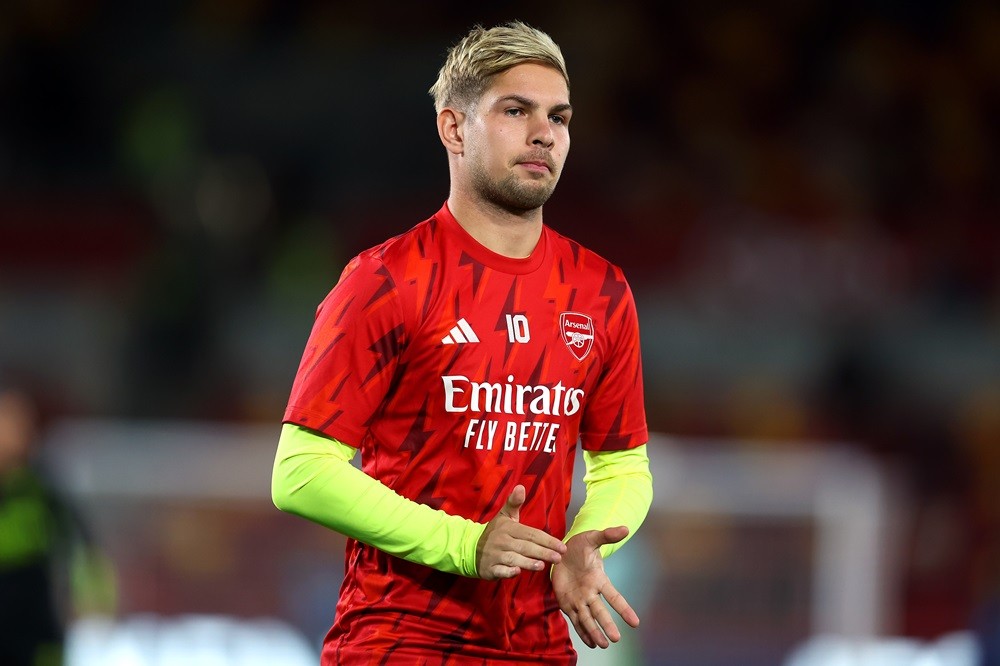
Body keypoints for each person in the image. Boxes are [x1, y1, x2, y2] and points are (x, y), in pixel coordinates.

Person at [271, 21, 653, 665]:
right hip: (398, 640)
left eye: (559, 117)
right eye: (516, 110)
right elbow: (300, 473)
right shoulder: (386, 280)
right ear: (453, 128)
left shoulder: (600, 290)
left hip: (537, 646)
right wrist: (464, 544)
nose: (544, 134)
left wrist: (588, 541)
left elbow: (622, 468)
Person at [0, 382, 115, 666]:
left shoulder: (44, 489)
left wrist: (95, 596)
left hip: (35, 622)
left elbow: (83, 545)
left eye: (15, 423)